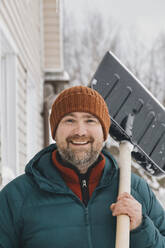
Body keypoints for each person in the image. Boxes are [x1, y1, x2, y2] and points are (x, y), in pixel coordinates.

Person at [0, 85, 165, 248]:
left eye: (90, 120)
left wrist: (142, 228)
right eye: (69, 120)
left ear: (104, 132)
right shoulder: (16, 197)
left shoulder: (136, 190)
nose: (80, 131)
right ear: (55, 132)